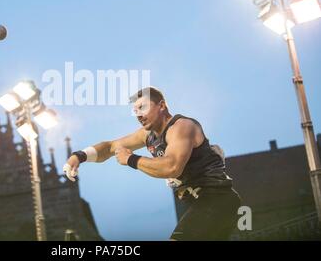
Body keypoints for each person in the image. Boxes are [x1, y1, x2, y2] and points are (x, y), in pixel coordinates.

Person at [63, 86, 241, 240]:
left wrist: (131, 159)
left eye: (143, 107)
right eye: (135, 111)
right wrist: (79, 156)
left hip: (217, 199)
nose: (139, 115)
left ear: (162, 105)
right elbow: (110, 147)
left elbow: (172, 167)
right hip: (199, 203)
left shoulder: (182, 127)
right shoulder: (146, 135)